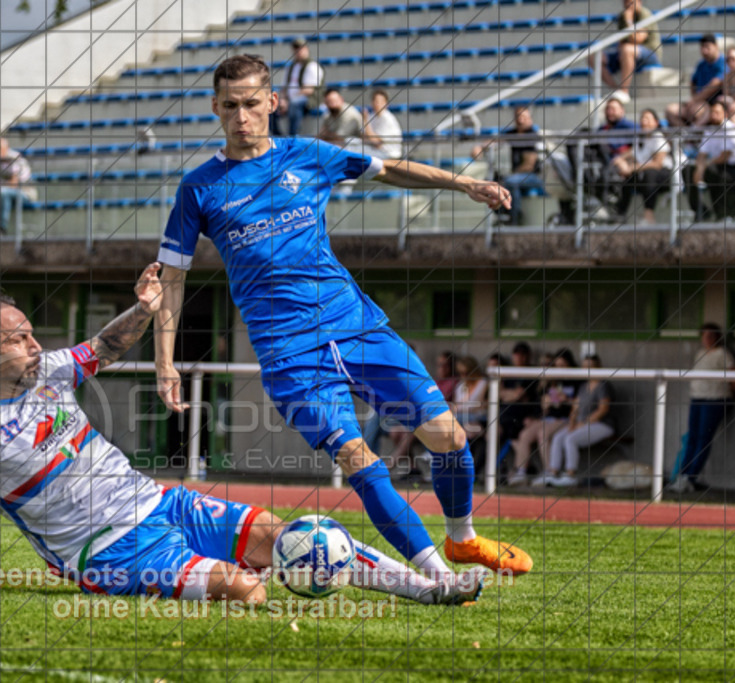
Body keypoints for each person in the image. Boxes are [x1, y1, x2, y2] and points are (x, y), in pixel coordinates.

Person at [154, 54, 532, 576]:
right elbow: (172, 279)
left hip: (356, 326)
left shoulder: (309, 155)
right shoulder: (198, 188)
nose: (241, 116)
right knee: (361, 460)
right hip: (289, 353)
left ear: (273, 102)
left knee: (451, 440)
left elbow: (390, 169)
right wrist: (165, 363)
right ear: (216, 108)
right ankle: (439, 577)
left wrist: (463, 183)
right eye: (230, 106)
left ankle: (463, 540)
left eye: (251, 104)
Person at [0, 266, 487, 604]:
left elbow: (104, 347)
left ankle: (431, 588)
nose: (35, 345)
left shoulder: (52, 368)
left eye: (33, 333)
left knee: (287, 536)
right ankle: (242, 576)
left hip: (160, 503)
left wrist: (145, 309)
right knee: (247, 588)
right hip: (106, 551)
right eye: (19, 339)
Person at [668, 323, 735, 493]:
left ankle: (690, 478)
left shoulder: (723, 354)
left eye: (711, 336)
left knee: (703, 439)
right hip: (697, 399)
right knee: (692, 437)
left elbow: (733, 376)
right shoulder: (700, 353)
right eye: (704, 335)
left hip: (715, 400)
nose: (707, 339)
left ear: (717, 337)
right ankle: (682, 477)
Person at [536, 355, 615, 487]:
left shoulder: (603, 385)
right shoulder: (584, 386)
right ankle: (552, 473)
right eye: (584, 367)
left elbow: (603, 410)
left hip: (602, 424)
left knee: (570, 439)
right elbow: (575, 408)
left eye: (590, 367)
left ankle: (570, 475)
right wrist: (573, 423)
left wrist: (582, 424)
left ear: (598, 367)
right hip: (581, 424)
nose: (586, 370)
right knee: (558, 437)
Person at [507, 348, 578, 486]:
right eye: (557, 366)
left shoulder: (576, 381)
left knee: (542, 433)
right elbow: (544, 409)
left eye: (563, 366)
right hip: (548, 418)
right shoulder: (553, 383)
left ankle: (549, 471)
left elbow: (580, 404)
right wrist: (545, 404)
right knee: (525, 435)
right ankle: (521, 471)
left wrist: (566, 400)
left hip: (565, 419)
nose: (559, 370)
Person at [472, 105, 544, 225]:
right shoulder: (513, 133)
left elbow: (529, 166)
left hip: (534, 177)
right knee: (489, 182)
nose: (520, 120)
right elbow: (495, 141)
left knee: (510, 182)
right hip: (516, 176)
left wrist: (506, 178)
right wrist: (479, 147)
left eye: (524, 117)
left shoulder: (532, 136)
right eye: (518, 117)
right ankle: (501, 214)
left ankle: (514, 220)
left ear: (530, 119)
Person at [590, 0, 661, 102]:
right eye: (625, 2)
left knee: (627, 50)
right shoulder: (622, 16)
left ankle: (624, 91)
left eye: (631, 2)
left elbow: (637, 39)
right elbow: (622, 41)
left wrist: (629, 20)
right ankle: (616, 90)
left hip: (649, 53)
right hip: (629, 52)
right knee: (593, 57)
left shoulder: (644, 14)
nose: (628, 5)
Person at [612, 108, 673, 223]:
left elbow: (657, 164)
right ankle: (620, 215)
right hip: (645, 175)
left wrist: (632, 167)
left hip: (666, 176)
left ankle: (649, 216)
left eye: (647, 119)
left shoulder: (659, 138)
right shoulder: (640, 138)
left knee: (650, 174)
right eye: (642, 119)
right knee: (628, 178)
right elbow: (631, 153)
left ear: (656, 122)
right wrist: (621, 160)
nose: (644, 122)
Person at [686, 100, 735, 220]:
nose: (714, 115)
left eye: (717, 112)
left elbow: (725, 155)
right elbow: (702, 153)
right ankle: (701, 211)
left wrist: (704, 167)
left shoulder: (730, 129)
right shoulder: (709, 130)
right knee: (687, 171)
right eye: (712, 112)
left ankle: (723, 214)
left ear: (725, 114)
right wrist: (699, 169)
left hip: (730, 168)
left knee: (715, 173)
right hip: (714, 165)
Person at [666, 34, 727, 128]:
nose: (704, 51)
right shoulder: (701, 64)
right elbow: (692, 81)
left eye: (707, 47)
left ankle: (695, 135)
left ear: (716, 46)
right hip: (697, 101)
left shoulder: (723, 62)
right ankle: (686, 136)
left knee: (698, 110)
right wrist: (694, 97)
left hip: (713, 103)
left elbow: (715, 84)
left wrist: (695, 99)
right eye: (702, 47)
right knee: (671, 110)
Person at [274, 37, 324, 138]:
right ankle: (278, 136)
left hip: (310, 100)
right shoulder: (291, 67)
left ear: (306, 49)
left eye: (301, 48)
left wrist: (289, 100)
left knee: (295, 104)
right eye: (296, 48)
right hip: (292, 100)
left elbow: (308, 90)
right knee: (272, 105)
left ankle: (292, 137)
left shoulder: (312, 66)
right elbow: (284, 87)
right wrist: (283, 100)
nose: (298, 51)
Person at [451, 356, 487, 442]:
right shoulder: (460, 385)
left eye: (466, 373)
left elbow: (475, 405)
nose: (463, 376)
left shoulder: (483, 383)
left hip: (479, 417)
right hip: (462, 417)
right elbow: (456, 405)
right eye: (461, 373)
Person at [362, 89, 403, 159]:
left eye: (381, 102)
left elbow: (376, 142)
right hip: (376, 150)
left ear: (386, 104)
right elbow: (364, 138)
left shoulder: (388, 119)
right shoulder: (372, 116)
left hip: (389, 154)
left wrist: (365, 121)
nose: (378, 104)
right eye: (376, 101)